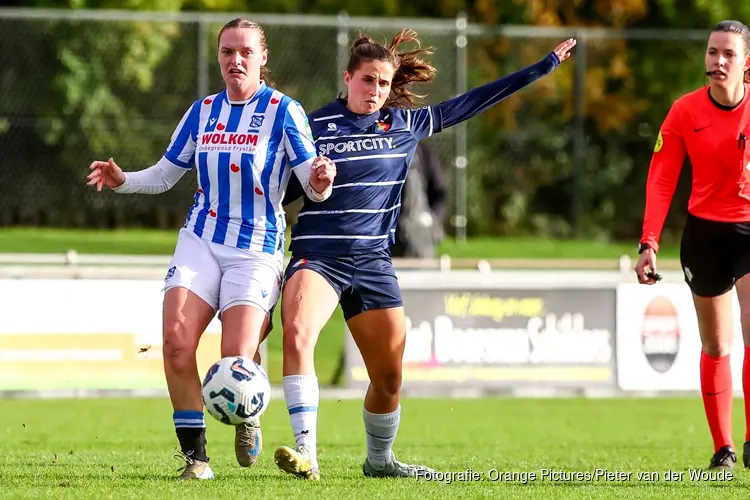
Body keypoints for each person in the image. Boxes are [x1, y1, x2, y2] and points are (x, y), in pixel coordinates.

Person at [272, 29, 576, 480]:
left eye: (382, 83)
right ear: (348, 77)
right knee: (297, 335)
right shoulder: (313, 126)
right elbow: (282, 190)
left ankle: (380, 461)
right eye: (367, 80)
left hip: (373, 265)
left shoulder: (406, 125)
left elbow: (475, 100)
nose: (374, 90)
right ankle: (307, 455)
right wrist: (313, 180)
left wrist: (542, 67)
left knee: (389, 379)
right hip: (318, 257)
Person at [85, 18, 336, 480]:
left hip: (256, 248)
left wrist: (320, 183)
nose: (235, 60)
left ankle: (249, 412)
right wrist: (123, 182)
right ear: (218, 57)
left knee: (235, 358)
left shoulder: (284, 111)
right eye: (226, 52)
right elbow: (165, 174)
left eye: (245, 52)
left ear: (263, 57)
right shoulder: (202, 111)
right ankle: (197, 460)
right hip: (201, 239)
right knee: (177, 345)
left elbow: (312, 185)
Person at [635, 20, 750, 470]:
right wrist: (648, 242)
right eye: (711, 52)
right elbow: (662, 180)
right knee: (718, 345)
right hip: (704, 237)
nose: (717, 62)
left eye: (727, 54)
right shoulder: (684, 111)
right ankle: (722, 448)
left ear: (746, 63)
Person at [390, 140, 447, 259]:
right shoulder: (381, 148)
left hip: (421, 236)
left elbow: (439, 192)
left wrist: (433, 221)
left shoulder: (424, 150)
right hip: (390, 235)